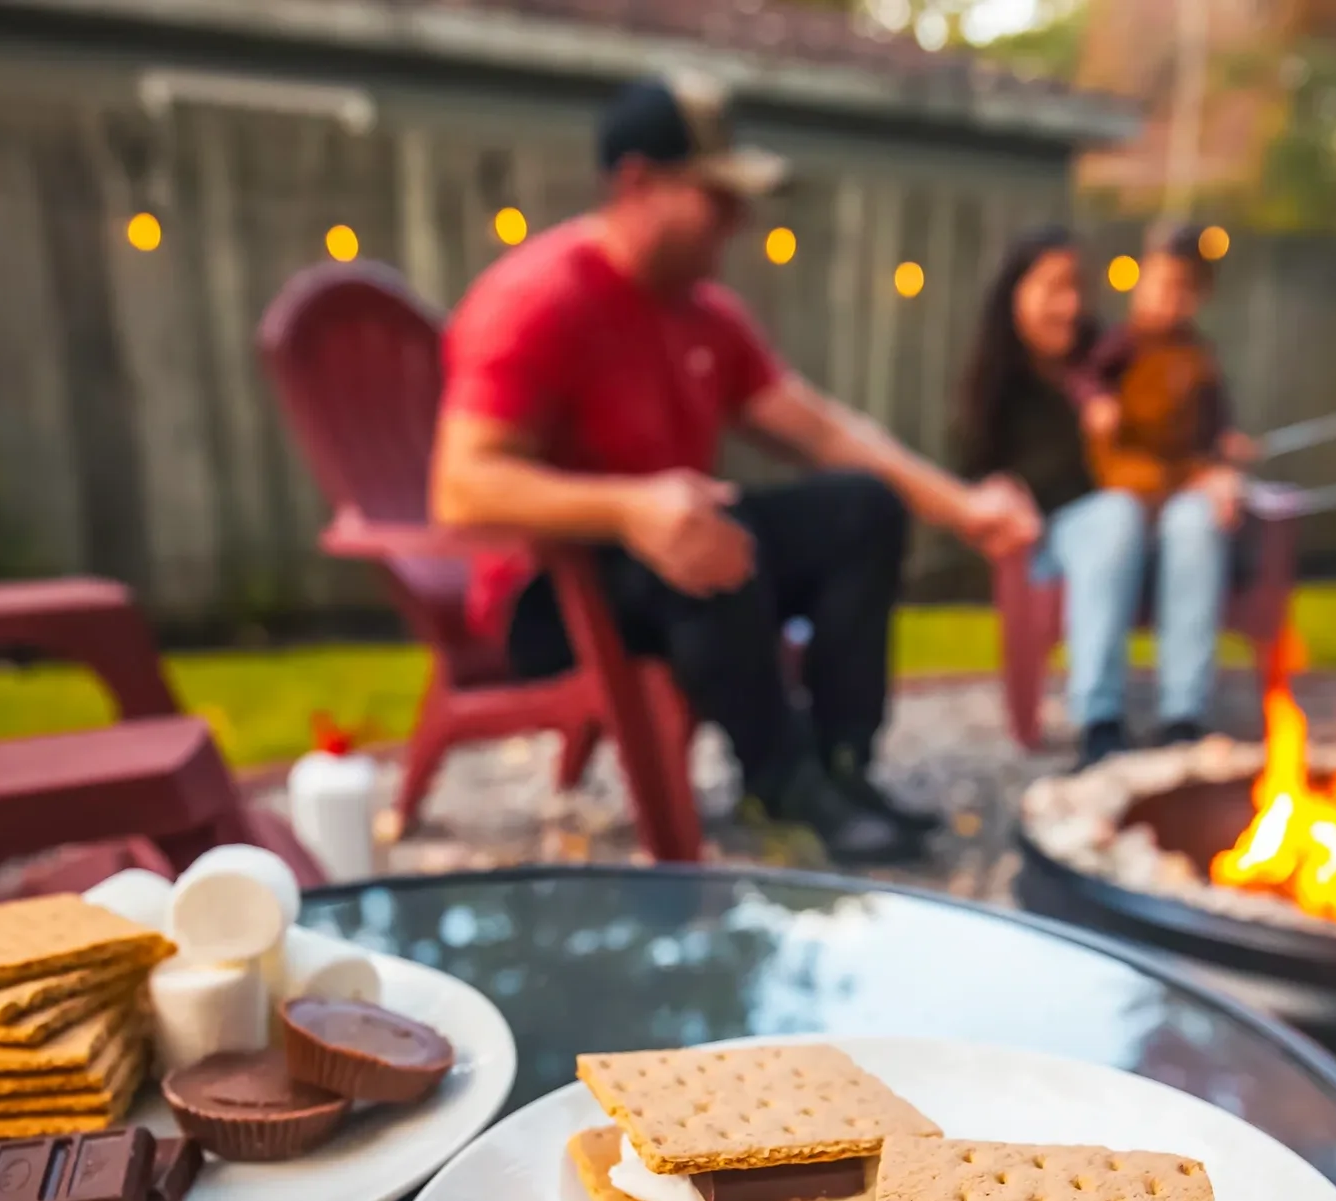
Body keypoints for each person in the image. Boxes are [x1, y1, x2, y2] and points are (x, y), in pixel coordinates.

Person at [431, 72, 1039, 863]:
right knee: (704, 537)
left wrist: (962, 508)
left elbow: (820, 429)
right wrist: (629, 509)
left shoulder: (704, 312)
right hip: (549, 597)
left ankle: (840, 761)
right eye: (714, 197)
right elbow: (462, 484)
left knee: (860, 508)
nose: (739, 220)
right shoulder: (538, 298)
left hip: (681, 552)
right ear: (637, 182)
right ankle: (779, 785)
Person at [958, 224, 1255, 767]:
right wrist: (996, 490)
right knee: (1114, 513)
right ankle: (1101, 723)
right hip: (1054, 537)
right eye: (1053, 288)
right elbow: (975, 474)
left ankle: (1182, 718)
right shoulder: (1001, 380)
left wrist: (1216, 465)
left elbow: (1187, 423)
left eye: (1079, 288)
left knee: (1196, 519)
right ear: (1014, 293)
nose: (1071, 305)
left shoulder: (1118, 353)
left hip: (1150, 518)